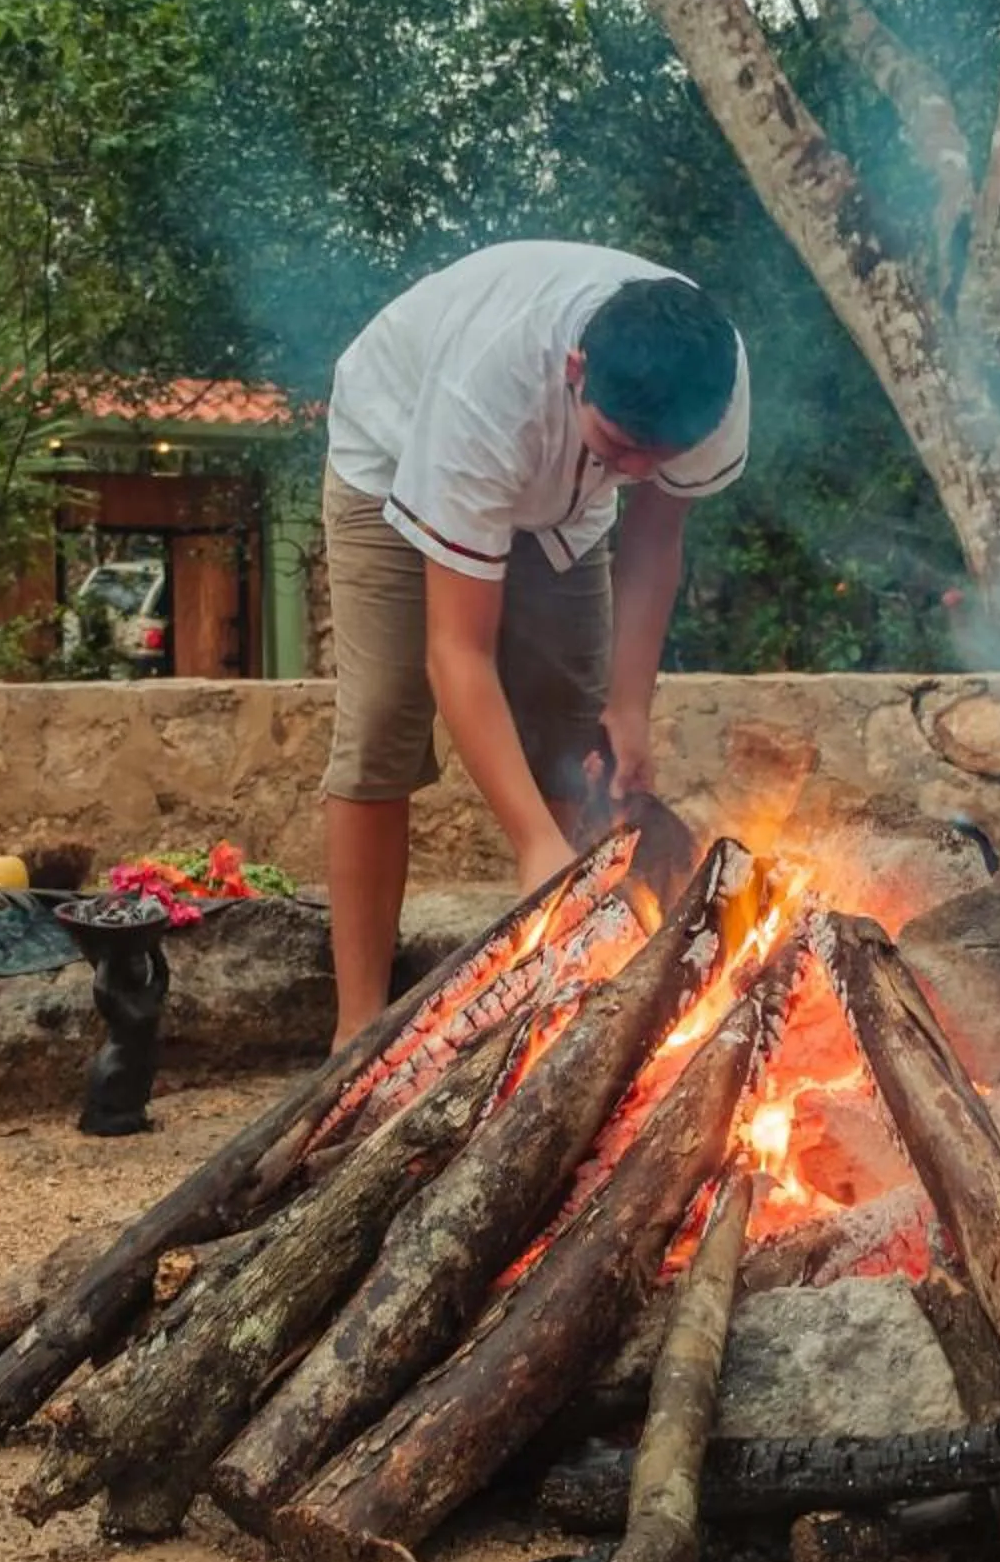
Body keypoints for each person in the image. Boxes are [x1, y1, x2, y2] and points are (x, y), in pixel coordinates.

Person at [319, 240, 750, 1045]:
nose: (634, 467)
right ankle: (356, 1032)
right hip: (395, 463)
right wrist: (532, 845)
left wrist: (630, 709)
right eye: (619, 444)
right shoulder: (485, 393)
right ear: (576, 368)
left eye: (652, 458)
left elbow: (654, 540)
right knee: (384, 723)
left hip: (563, 509)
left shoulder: (709, 387)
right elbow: (459, 650)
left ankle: (572, 1009)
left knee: (575, 730)